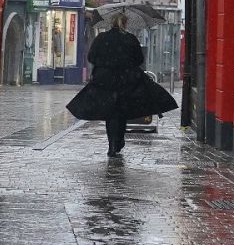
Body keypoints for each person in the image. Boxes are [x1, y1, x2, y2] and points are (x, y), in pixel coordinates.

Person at [65, 12, 178, 157]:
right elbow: (139, 59)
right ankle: (118, 141)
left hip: (105, 80)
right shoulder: (130, 38)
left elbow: (91, 57)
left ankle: (112, 144)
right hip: (127, 80)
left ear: (111, 23)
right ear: (125, 23)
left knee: (111, 112)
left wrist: (105, 64)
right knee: (121, 111)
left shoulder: (102, 38)